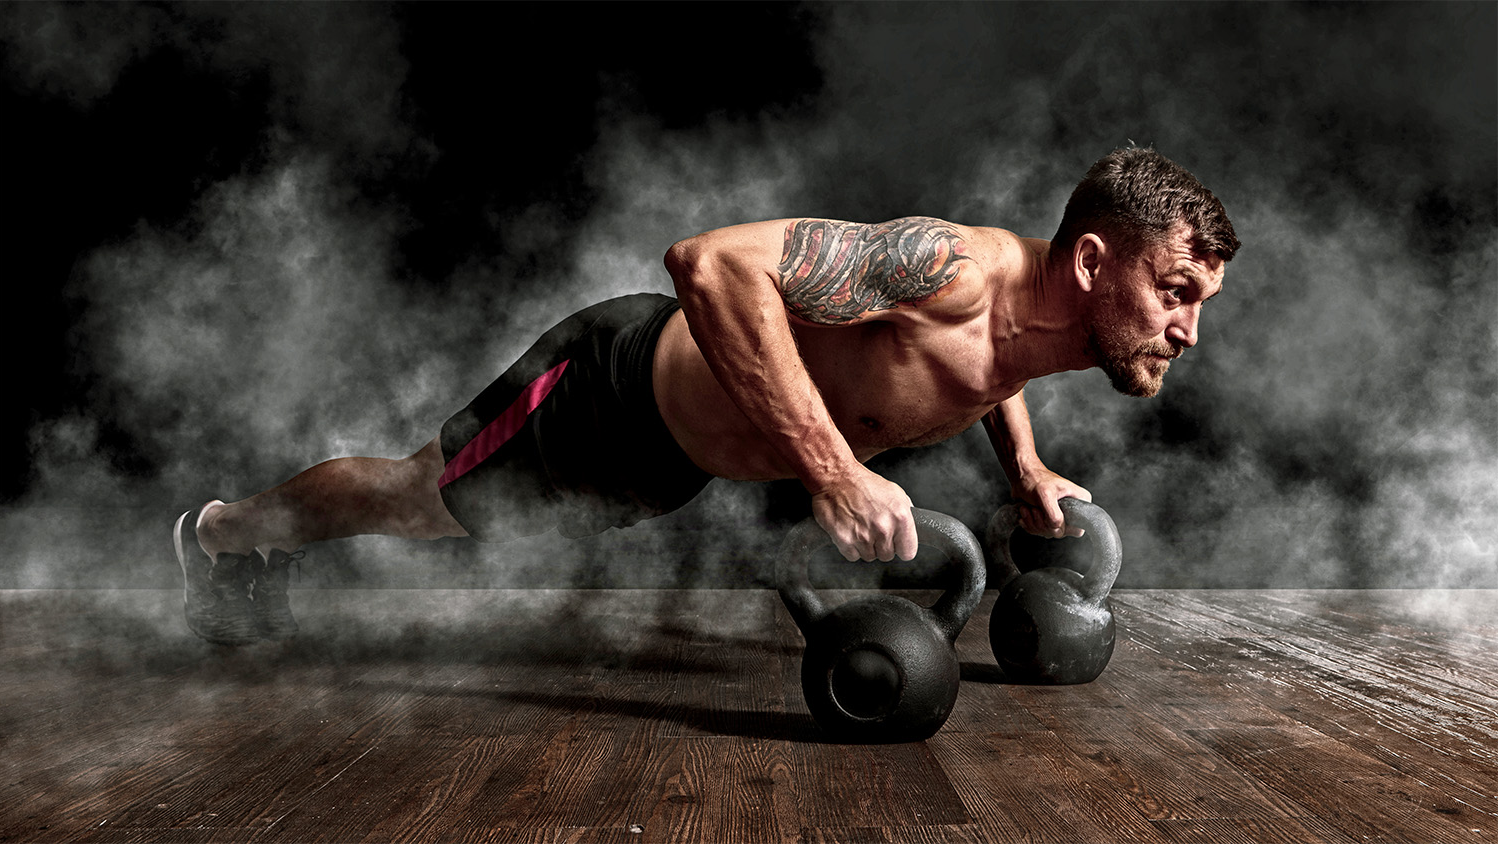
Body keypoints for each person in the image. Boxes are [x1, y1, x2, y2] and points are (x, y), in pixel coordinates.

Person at [173, 146, 1240, 645]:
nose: (1188, 327)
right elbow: (711, 263)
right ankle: (223, 534)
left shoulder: (1037, 329)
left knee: (456, 530)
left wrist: (1023, 465)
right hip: (604, 389)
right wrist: (831, 470)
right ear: (1095, 263)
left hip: (670, 461)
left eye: (1200, 301)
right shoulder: (948, 267)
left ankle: (243, 544)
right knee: (417, 500)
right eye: (1176, 290)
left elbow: (992, 368)